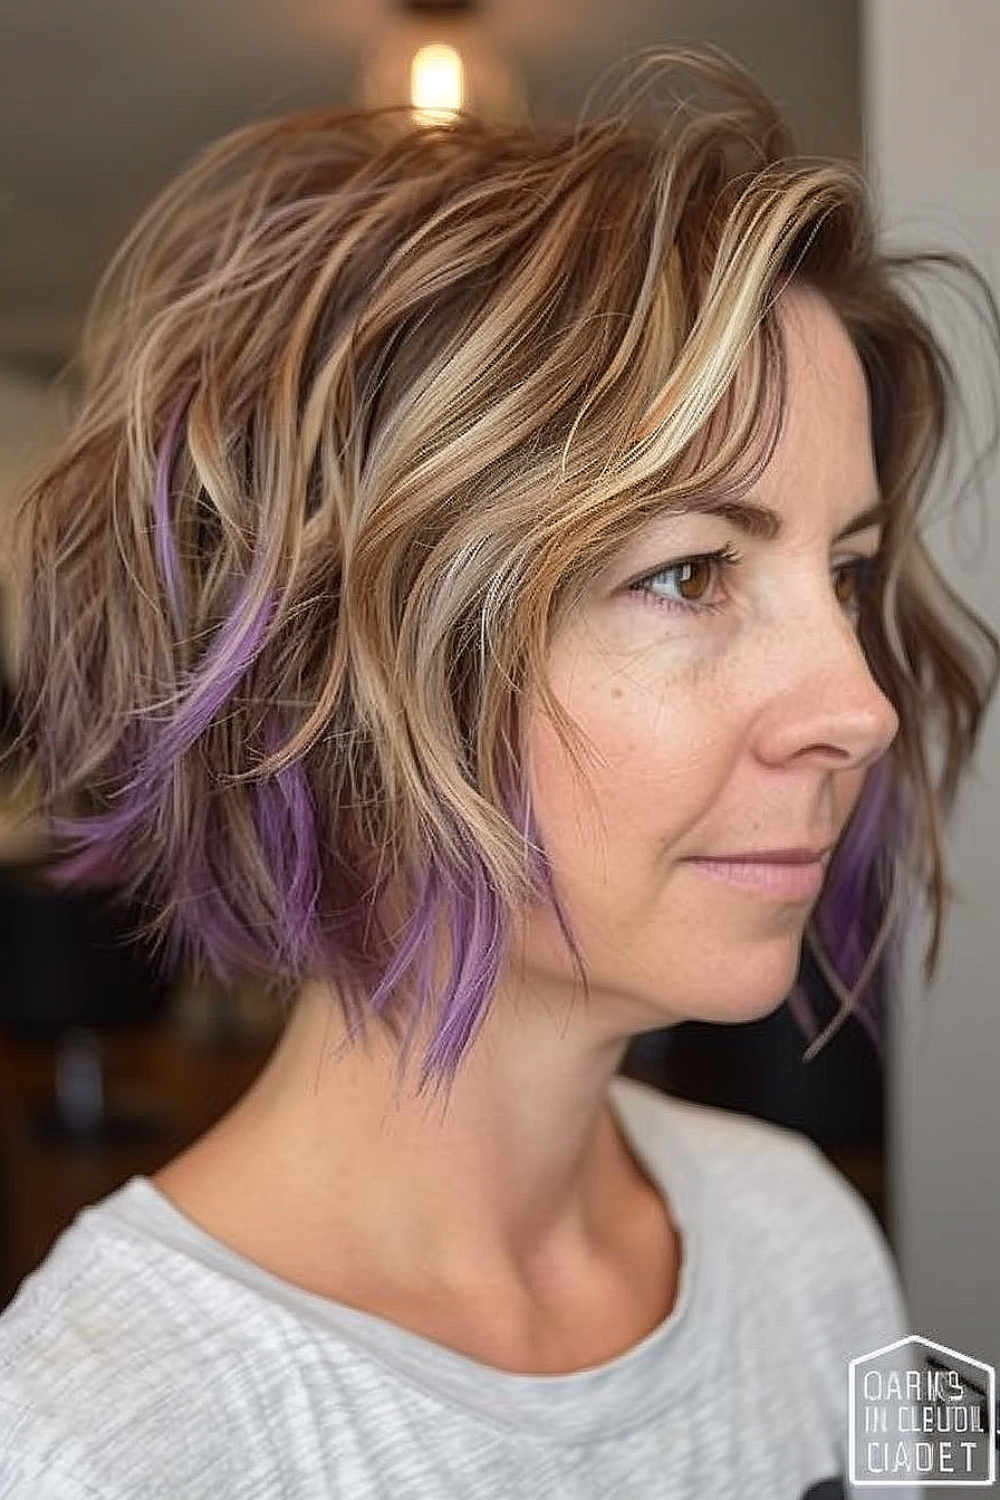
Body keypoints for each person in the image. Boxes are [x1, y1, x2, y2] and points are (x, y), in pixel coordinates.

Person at [0, 42, 997, 1500]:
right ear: (338, 668)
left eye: (842, 573)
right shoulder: (106, 1434)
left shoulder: (809, 1237)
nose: (860, 706)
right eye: (691, 573)